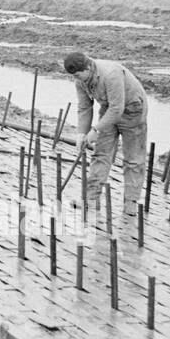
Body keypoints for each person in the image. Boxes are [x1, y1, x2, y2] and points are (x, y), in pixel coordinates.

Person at [64, 51, 149, 219]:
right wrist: (82, 134)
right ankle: (91, 199)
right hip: (108, 108)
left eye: (80, 75)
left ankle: (130, 202)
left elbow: (117, 109)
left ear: (88, 67)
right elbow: (84, 107)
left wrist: (96, 130)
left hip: (133, 110)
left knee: (133, 158)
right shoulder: (79, 80)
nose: (79, 79)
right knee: (100, 154)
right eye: (75, 76)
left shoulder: (110, 74)